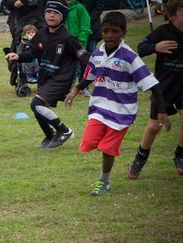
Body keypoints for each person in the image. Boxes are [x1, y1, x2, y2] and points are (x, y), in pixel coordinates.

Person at [64, 11, 170, 196]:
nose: (110, 35)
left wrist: (161, 111)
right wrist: (75, 91)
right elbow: (89, 75)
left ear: (123, 33)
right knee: (88, 142)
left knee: (107, 149)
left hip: (121, 113)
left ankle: (104, 182)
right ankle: (106, 152)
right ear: (102, 32)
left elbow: (153, 85)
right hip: (100, 107)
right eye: (106, 31)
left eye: (115, 31)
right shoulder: (97, 54)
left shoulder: (130, 57)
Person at [5, 0, 90, 148]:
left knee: (36, 104)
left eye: (56, 13)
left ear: (63, 16)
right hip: (45, 77)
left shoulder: (68, 38)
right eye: (48, 12)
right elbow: (31, 53)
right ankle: (50, 136)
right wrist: (18, 56)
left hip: (61, 79)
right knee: (40, 109)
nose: (51, 15)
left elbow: (86, 61)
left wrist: (80, 85)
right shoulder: (41, 34)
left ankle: (65, 131)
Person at [128, 0, 183, 178]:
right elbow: (141, 48)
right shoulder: (163, 32)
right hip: (164, 87)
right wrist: (155, 47)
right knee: (154, 126)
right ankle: (140, 158)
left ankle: (180, 155)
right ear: (172, 16)